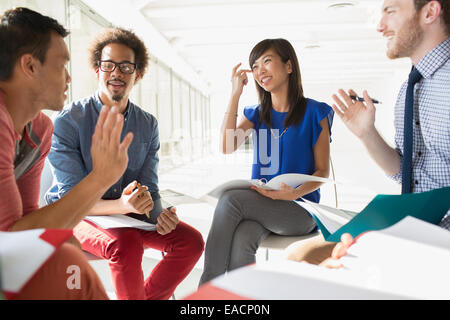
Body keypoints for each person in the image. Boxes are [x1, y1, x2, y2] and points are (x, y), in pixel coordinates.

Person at [286, 0, 450, 265]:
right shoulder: (411, 86)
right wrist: (366, 133)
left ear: (429, 12)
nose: (380, 26)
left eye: (391, 11)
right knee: (298, 255)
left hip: (437, 239)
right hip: (414, 225)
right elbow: (405, 171)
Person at [45, 27, 204, 300]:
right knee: (126, 243)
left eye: (126, 67)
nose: (116, 73)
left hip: (126, 215)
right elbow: (72, 200)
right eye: (108, 65)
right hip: (77, 216)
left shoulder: (148, 123)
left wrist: (159, 215)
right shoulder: (68, 122)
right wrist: (124, 206)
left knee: (190, 242)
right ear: (97, 70)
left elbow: (149, 188)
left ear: (138, 74)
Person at [0, 7, 134, 299]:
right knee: (67, 261)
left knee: (67, 252)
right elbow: (11, 239)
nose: (69, 78)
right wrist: (100, 178)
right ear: (30, 66)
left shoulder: (39, 128)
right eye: (62, 65)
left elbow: (27, 222)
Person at [199, 38, 334, 285]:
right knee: (243, 235)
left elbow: (322, 171)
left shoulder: (316, 113)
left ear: (289, 66)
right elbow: (226, 146)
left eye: (267, 61)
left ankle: (208, 290)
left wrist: (293, 194)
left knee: (230, 201)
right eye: (256, 66)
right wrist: (235, 94)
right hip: (263, 205)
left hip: (300, 210)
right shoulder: (257, 114)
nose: (260, 71)